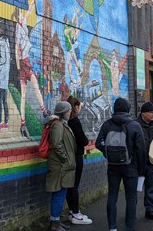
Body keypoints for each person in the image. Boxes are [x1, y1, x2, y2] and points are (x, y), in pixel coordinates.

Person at [96, 97, 146, 231]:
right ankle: (129, 227)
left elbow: (98, 143)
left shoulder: (107, 124)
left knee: (112, 196)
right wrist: (142, 170)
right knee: (131, 198)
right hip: (131, 166)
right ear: (128, 109)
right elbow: (141, 149)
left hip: (113, 166)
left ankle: (112, 227)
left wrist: (109, 153)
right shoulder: (135, 125)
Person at [13, 0, 50, 138]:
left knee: (26, 93)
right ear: (18, 17)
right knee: (33, 87)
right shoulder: (19, 26)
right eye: (21, 15)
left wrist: (31, 5)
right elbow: (17, 49)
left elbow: (28, 13)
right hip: (25, 63)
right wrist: (19, 65)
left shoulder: (20, 27)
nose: (24, 15)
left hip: (24, 64)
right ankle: (43, 111)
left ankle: (24, 123)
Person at [45, 101, 76, 231]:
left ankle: (56, 221)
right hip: (59, 165)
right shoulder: (57, 125)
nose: (70, 112)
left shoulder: (61, 124)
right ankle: (54, 224)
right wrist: (66, 159)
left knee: (61, 193)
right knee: (59, 193)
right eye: (68, 110)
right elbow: (57, 144)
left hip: (61, 164)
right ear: (64, 112)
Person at [65, 96, 92, 225]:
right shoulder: (75, 121)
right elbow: (83, 140)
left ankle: (72, 212)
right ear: (75, 107)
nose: (80, 108)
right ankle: (76, 213)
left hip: (67, 157)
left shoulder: (64, 122)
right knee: (74, 186)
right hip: (76, 156)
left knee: (69, 186)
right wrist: (86, 140)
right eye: (79, 106)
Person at [136, 102, 153, 221]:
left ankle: (150, 210)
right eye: (150, 112)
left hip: (152, 162)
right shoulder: (135, 124)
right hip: (138, 162)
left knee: (150, 187)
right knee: (135, 188)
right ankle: (132, 210)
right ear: (143, 113)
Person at [0, 20, 10, 130]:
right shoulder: (6, 41)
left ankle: (0, 122)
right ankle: (6, 121)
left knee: (0, 100)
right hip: (5, 76)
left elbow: (3, 58)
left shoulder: (2, 43)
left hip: (1, 76)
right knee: (3, 100)